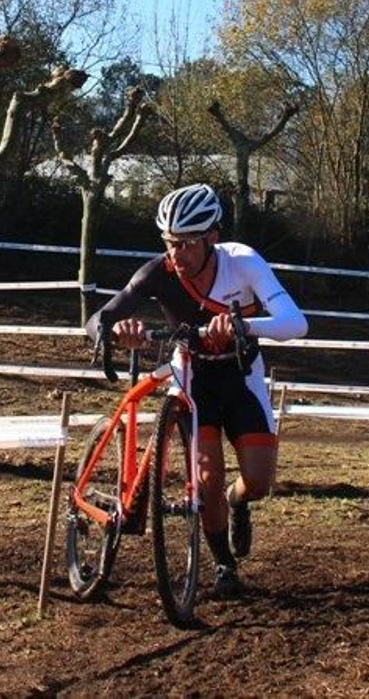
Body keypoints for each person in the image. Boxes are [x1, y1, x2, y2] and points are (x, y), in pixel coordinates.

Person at [85, 182, 308, 599]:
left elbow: (296, 323)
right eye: (170, 243)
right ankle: (224, 565)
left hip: (240, 376)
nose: (177, 254)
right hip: (193, 377)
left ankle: (236, 501)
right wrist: (115, 332)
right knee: (206, 479)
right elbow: (99, 317)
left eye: (187, 244)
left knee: (258, 481)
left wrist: (242, 326)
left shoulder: (242, 262)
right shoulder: (158, 272)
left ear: (212, 238)